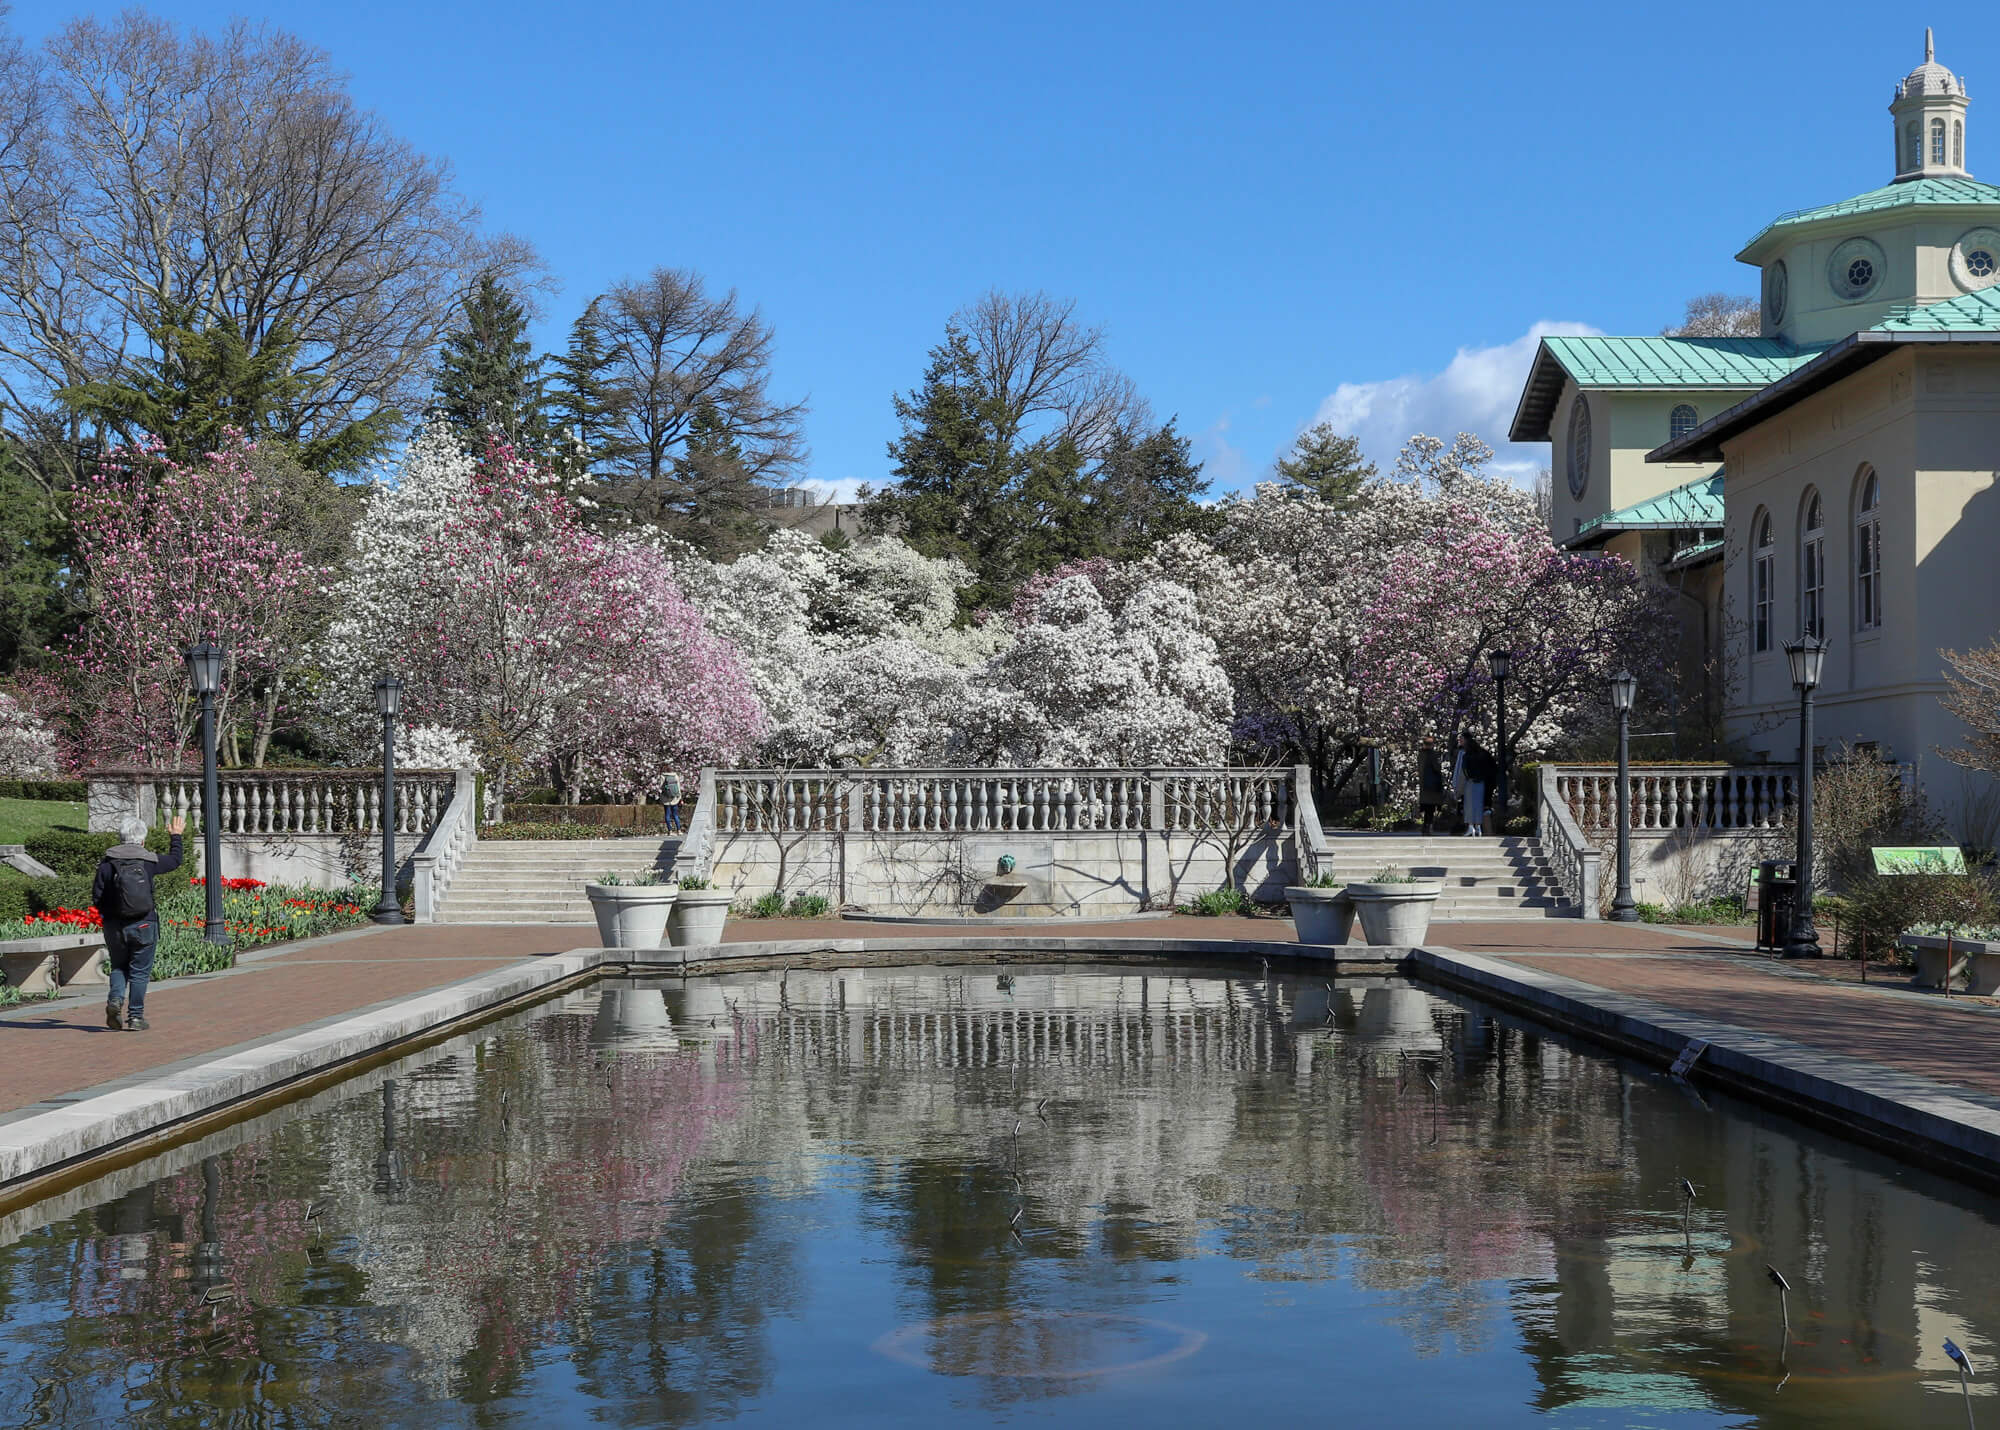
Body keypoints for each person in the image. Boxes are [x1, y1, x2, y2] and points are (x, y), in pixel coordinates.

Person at [93, 814, 184, 1032]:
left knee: (118, 966)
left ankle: (115, 1000)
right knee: (140, 972)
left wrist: (110, 916)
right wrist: (176, 836)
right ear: (142, 840)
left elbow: (96, 896)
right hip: (144, 923)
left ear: (121, 837)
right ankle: (135, 1018)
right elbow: (175, 860)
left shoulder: (107, 863)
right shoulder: (150, 861)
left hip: (115, 926)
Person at [1454, 732, 1496, 837]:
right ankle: (1478, 827)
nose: (1460, 741)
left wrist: (1459, 788)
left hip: (1470, 781)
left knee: (1469, 805)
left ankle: (1471, 827)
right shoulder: (1482, 753)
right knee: (1478, 804)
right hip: (1482, 782)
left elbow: (1463, 772)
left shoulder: (1466, 755)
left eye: (1461, 739)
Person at [1417, 736, 1446, 835]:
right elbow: (1437, 768)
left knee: (1427, 808)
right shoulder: (1433, 755)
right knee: (1430, 808)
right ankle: (1428, 827)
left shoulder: (1421, 755)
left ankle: (1425, 827)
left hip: (1424, 786)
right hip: (1432, 786)